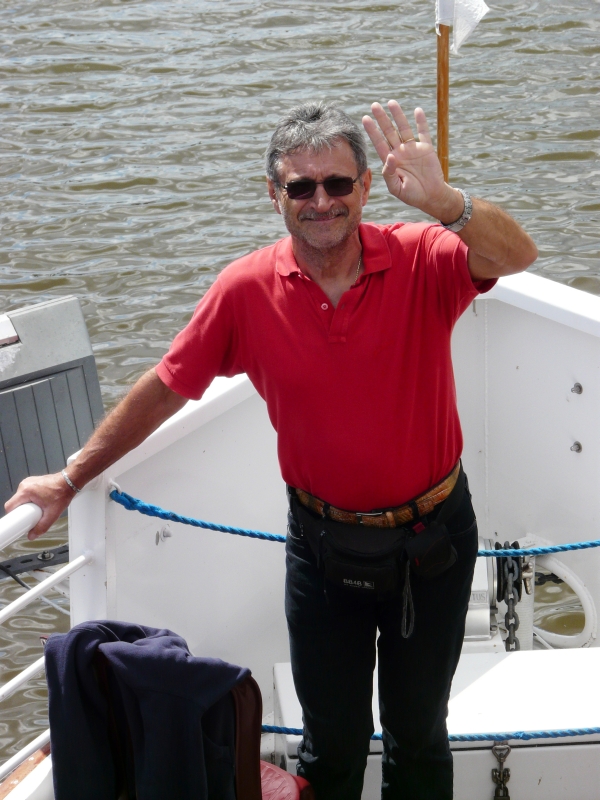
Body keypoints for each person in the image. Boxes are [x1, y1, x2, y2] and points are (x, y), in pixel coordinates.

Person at [5, 100, 537, 799]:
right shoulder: (246, 290)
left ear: (365, 188)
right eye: (301, 186)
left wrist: (443, 202)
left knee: (418, 734)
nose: (321, 201)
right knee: (331, 743)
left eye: (337, 183)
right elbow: (166, 386)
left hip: (433, 542)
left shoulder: (421, 256)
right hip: (321, 549)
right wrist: (71, 478)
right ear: (274, 195)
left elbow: (516, 255)